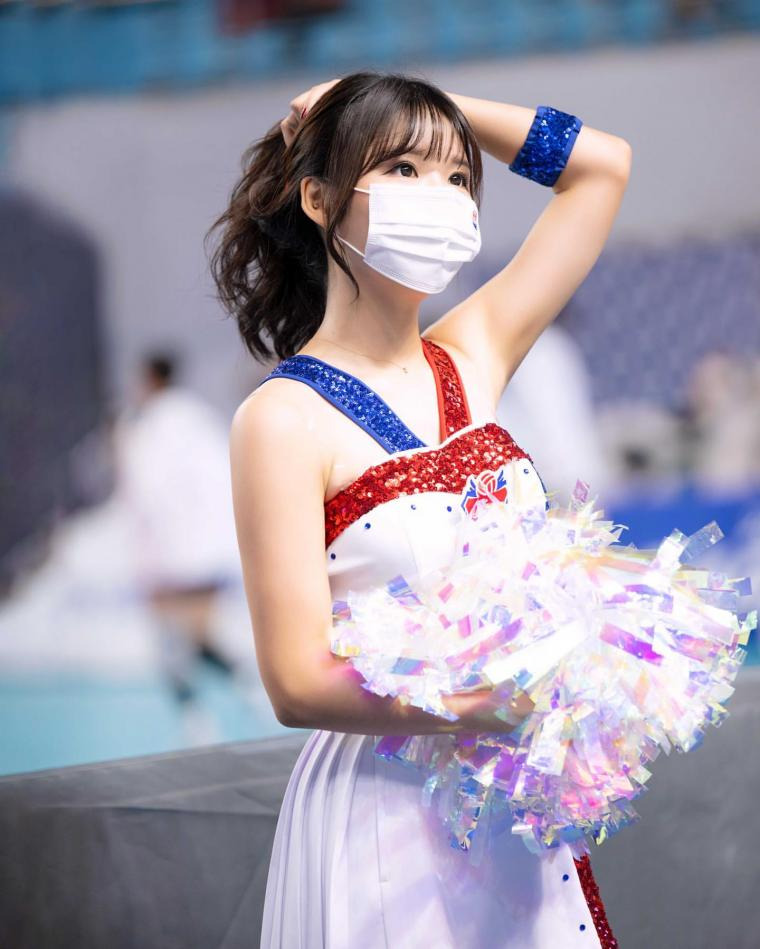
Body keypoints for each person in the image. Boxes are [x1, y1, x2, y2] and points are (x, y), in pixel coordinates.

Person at [208, 71, 630, 947]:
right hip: (384, 811)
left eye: (457, 177)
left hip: (510, 800)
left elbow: (602, 166)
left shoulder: (473, 354)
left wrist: (426, 103)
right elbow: (295, 680)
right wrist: (478, 704)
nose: (438, 196)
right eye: (402, 169)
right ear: (319, 198)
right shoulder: (280, 419)